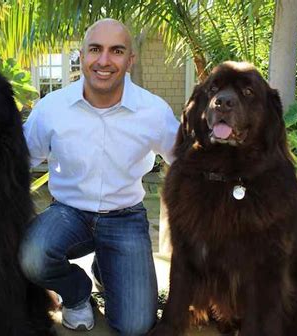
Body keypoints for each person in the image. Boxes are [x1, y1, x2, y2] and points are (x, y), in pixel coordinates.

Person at [19, 18, 179, 335]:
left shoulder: (153, 111)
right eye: (95, 49)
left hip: (125, 218)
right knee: (31, 256)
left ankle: (106, 269)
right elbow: (17, 159)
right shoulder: (53, 108)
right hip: (68, 213)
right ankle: (77, 293)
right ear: (82, 54)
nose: (104, 61)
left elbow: (187, 161)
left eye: (116, 51)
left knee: (135, 326)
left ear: (130, 59)